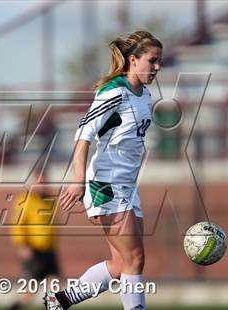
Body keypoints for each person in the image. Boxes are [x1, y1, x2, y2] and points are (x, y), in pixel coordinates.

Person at [44, 30, 163, 310]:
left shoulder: (144, 95)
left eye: (160, 61)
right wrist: (78, 181)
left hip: (127, 187)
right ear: (133, 60)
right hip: (105, 184)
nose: (157, 67)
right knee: (135, 259)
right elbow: (82, 135)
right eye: (152, 61)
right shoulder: (114, 92)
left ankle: (59, 301)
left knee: (122, 265)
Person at [8, 167, 60, 310]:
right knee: (28, 294)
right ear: (33, 182)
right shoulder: (25, 200)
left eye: (44, 182)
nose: (42, 185)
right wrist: (22, 246)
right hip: (33, 252)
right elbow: (18, 224)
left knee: (54, 288)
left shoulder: (50, 201)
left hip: (49, 252)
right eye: (39, 182)